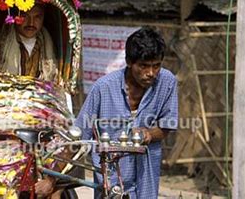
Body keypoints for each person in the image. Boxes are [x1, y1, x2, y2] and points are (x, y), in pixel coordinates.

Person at [0, 3, 60, 197]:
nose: (31, 22)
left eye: (37, 17)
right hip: (3, 117)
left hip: (37, 119)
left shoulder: (47, 44)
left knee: (63, 157)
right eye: (24, 16)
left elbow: (55, 86)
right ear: (14, 16)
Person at [75, 26, 178, 198]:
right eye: (144, 66)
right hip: (111, 183)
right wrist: (53, 179)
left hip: (146, 179)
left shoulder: (167, 82)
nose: (151, 73)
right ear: (129, 62)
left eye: (156, 66)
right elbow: (79, 135)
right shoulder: (103, 88)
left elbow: (167, 125)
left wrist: (150, 134)